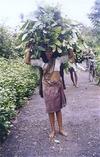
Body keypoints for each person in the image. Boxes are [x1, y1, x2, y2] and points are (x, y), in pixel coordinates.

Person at [24, 46, 67, 139]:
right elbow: (27, 61)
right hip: (47, 88)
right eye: (47, 51)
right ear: (44, 52)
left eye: (50, 51)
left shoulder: (58, 60)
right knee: (50, 110)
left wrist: (70, 47)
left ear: (54, 52)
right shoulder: (41, 62)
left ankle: (61, 129)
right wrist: (29, 50)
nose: (49, 53)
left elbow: (71, 58)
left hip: (57, 87)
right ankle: (52, 130)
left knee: (58, 109)